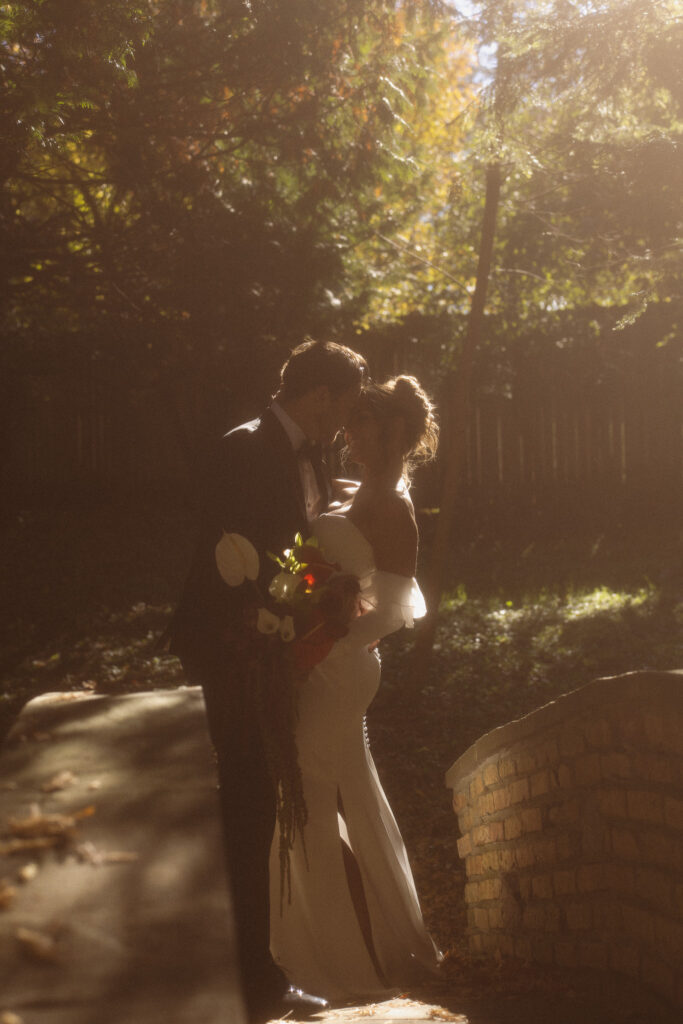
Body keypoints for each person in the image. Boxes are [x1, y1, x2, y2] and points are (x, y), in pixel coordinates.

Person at [166, 339, 367, 1022]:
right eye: (340, 410)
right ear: (318, 397)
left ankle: (256, 968)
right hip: (236, 648)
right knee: (245, 803)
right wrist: (318, 587)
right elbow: (245, 560)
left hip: (277, 646)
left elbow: (295, 550)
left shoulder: (312, 457)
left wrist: (323, 587)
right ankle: (248, 979)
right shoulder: (242, 447)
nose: (341, 427)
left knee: (259, 802)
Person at [269, 374, 442, 1001]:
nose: (347, 429)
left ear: (390, 431)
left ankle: (335, 959)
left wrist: (325, 638)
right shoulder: (349, 488)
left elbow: (396, 609)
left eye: (360, 421)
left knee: (313, 793)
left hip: (341, 667)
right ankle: (359, 938)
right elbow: (315, 564)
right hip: (320, 658)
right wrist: (303, 604)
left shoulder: (392, 505)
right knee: (332, 792)